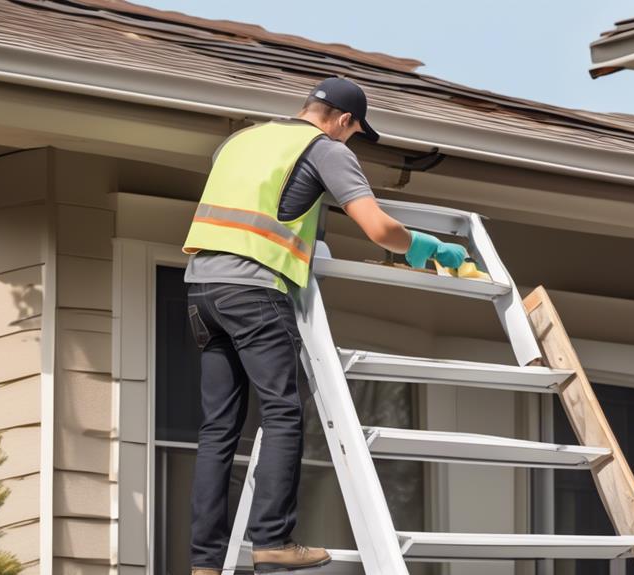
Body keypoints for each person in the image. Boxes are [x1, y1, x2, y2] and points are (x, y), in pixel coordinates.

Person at [182, 76, 466, 575]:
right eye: (353, 132)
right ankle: (271, 541)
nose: (350, 140)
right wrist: (428, 248)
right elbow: (379, 228)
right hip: (254, 290)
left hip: (202, 290)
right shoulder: (325, 148)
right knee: (283, 413)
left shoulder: (241, 140)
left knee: (218, 429)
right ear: (343, 119)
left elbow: (274, 201)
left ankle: (205, 562)